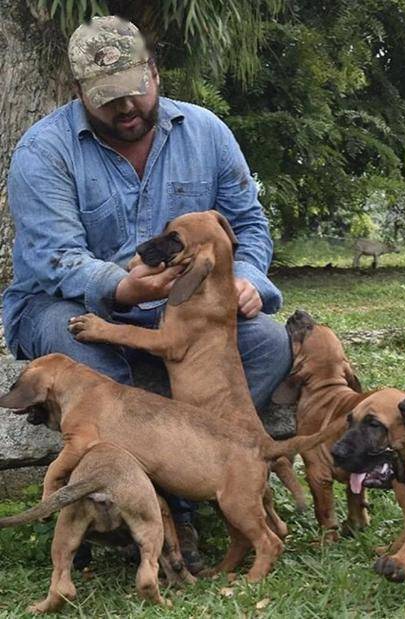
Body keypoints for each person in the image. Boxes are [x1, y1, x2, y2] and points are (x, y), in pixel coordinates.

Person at [2, 16, 292, 573]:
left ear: (154, 73)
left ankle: (190, 481)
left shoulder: (206, 132)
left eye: (136, 91)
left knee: (267, 345)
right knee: (91, 355)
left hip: (181, 312)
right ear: (79, 92)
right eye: (108, 100)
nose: (126, 108)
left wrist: (248, 279)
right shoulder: (44, 151)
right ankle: (152, 506)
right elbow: (55, 258)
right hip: (63, 304)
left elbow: (249, 226)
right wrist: (123, 288)